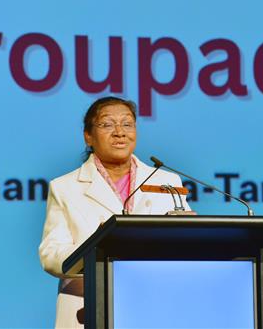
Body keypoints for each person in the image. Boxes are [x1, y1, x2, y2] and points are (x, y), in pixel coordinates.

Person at [39, 96, 191, 328]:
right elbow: (51, 255)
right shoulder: (65, 187)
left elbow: (187, 239)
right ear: (88, 136)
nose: (120, 132)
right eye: (107, 124)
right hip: (89, 305)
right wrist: (94, 246)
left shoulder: (166, 180)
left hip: (154, 303)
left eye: (127, 124)